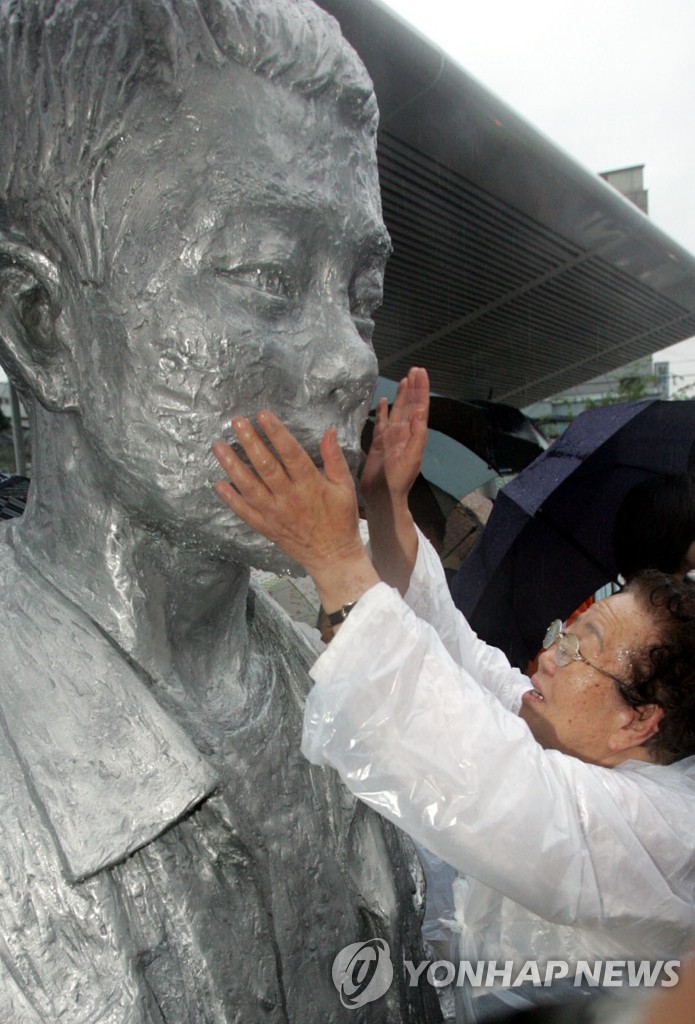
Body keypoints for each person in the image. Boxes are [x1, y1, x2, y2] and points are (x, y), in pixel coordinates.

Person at [0, 3, 439, 1021]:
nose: (348, 359)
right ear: (45, 325)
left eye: (360, 293)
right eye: (266, 277)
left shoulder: (359, 710)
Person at [213, 366, 695, 1022]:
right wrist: (384, 508)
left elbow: (488, 780)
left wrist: (333, 559)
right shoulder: (566, 732)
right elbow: (459, 658)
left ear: (638, 723)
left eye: (581, 649)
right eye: (566, 629)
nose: (549, 655)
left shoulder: (665, 835)